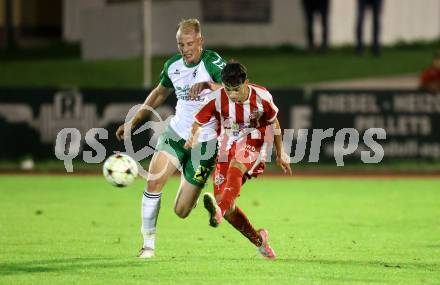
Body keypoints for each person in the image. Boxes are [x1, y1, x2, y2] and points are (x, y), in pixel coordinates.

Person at [116, 18, 226, 258]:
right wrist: (134, 121)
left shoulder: (213, 63)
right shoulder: (172, 66)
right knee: (153, 182)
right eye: (180, 44)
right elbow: (159, 93)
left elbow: (235, 87)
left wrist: (209, 84)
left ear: (200, 41)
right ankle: (148, 245)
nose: (185, 49)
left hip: (205, 143)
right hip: (176, 133)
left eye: (189, 44)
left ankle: (193, 197)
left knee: (181, 211)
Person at [185, 61, 292, 259]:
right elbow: (197, 121)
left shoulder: (262, 96)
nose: (232, 94)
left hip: (255, 138)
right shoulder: (216, 98)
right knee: (226, 206)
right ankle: (259, 241)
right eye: (228, 89)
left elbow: (274, 122)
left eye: (236, 89)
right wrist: (192, 137)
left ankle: (218, 211)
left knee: (236, 168)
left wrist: (280, 152)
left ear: (246, 83)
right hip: (226, 145)